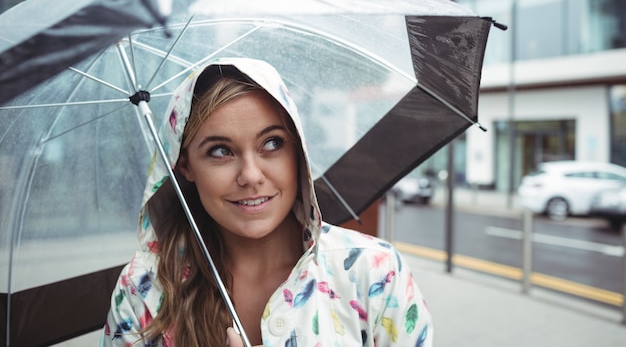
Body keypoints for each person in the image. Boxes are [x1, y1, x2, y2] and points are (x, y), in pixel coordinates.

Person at [101, 58, 433, 347]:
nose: (251, 175)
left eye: (272, 143)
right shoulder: (143, 289)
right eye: (221, 150)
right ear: (184, 165)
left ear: (298, 152)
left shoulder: (374, 273)